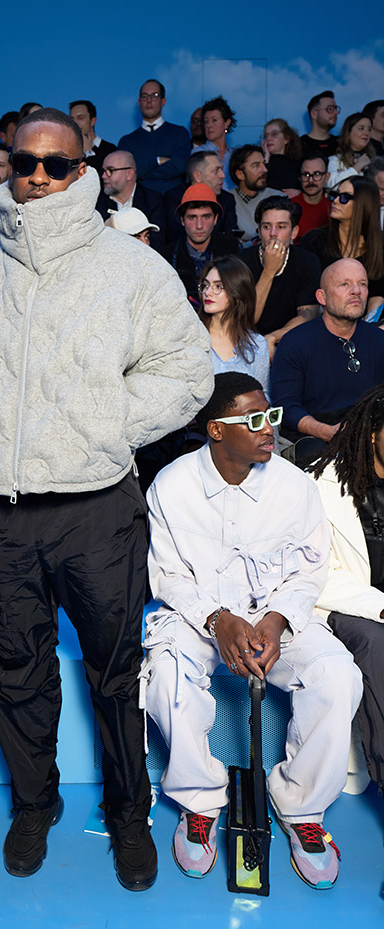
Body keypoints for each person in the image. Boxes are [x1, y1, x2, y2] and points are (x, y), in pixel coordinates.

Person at [0, 106, 213, 892]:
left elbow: (190, 371)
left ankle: (128, 814)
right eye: (26, 163)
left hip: (95, 508)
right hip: (2, 512)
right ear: (7, 169)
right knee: (20, 670)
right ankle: (33, 805)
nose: (40, 177)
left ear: (83, 172)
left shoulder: (131, 268)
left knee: (116, 674)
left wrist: (107, 426)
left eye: (58, 164)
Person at [142, 371, 362, 889]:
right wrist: (219, 621)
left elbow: (311, 569)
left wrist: (277, 618)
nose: (269, 430)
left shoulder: (295, 485)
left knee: (337, 676)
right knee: (167, 678)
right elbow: (167, 574)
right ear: (217, 430)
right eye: (255, 419)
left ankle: (302, 808)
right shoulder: (172, 486)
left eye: (273, 417)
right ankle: (200, 802)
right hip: (200, 621)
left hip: (274, 620)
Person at [310, 384, 384, 798]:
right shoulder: (320, 484)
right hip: (347, 607)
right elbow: (320, 573)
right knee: (377, 642)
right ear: (372, 433)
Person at [270, 258, 384, 467]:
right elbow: (285, 407)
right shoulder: (295, 343)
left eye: (363, 284)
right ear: (322, 296)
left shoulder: (378, 340)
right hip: (316, 436)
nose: (356, 291)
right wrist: (328, 432)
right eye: (345, 284)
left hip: (372, 433)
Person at [239, 196, 320, 352]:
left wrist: (273, 337)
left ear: (294, 232)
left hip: (291, 340)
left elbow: (308, 315)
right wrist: (269, 271)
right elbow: (246, 320)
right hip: (246, 342)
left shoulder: (307, 261)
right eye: (266, 227)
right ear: (259, 231)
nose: (273, 234)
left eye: (281, 227)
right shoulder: (242, 261)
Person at [301, 176, 384, 310]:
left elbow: (378, 293)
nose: (336, 201)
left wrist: (369, 326)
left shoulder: (380, 244)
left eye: (345, 197)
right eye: (335, 195)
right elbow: (307, 293)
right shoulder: (314, 240)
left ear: (363, 204)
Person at [196, 257, 269, 391]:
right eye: (206, 285)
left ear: (238, 292)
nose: (208, 292)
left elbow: (262, 396)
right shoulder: (190, 339)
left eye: (218, 286)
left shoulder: (257, 345)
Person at [164, 183, 239, 305]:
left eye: (206, 217)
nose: (199, 225)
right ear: (182, 220)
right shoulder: (167, 256)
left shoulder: (232, 249)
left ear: (215, 219)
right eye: (192, 217)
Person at [118, 79, 191, 194]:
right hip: (140, 206)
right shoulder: (127, 142)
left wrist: (142, 171)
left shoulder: (179, 133)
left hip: (173, 203)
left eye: (155, 95)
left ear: (163, 101)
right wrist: (157, 161)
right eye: (144, 96)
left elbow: (180, 166)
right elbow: (126, 173)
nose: (149, 100)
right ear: (139, 102)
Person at [96, 150, 165, 251]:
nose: (104, 176)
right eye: (103, 171)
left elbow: (158, 243)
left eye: (110, 170)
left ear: (129, 174)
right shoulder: (96, 203)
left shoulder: (152, 200)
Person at [164, 151, 238, 239]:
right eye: (216, 171)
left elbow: (231, 237)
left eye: (222, 169)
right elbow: (176, 236)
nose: (222, 175)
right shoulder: (174, 197)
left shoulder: (227, 199)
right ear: (197, 176)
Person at [228, 146, 282, 246]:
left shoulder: (278, 197)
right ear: (240, 174)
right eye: (256, 166)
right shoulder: (228, 201)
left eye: (264, 164)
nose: (265, 170)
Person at [192, 96, 236, 189]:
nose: (209, 125)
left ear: (227, 123)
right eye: (206, 121)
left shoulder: (235, 154)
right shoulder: (198, 153)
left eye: (214, 120)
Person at [327, 113, 375, 188]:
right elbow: (332, 185)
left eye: (369, 129)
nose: (366, 133)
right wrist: (357, 167)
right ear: (348, 133)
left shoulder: (375, 160)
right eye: (361, 128)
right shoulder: (335, 160)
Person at [69, 100, 116, 175]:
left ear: (93, 121)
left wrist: (89, 153)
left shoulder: (110, 150)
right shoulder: (70, 152)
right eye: (72, 119)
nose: (75, 123)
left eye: (80, 118)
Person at [291, 155, 331, 241]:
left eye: (317, 174)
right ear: (299, 177)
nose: (311, 180)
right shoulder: (290, 207)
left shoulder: (334, 209)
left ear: (327, 177)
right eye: (306, 175)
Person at [261, 118, 302, 195]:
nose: (268, 138)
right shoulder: (260, 163)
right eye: (266, 135)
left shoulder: (298, 164)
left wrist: (300, 193)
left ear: (286, 139)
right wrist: (265, 158)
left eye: (274, 134)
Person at [300, 91, 340, 160]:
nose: (336, 112)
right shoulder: (299, 146)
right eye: (330, 109)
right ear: (314, 114)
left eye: (336, 109)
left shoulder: (341, 144)